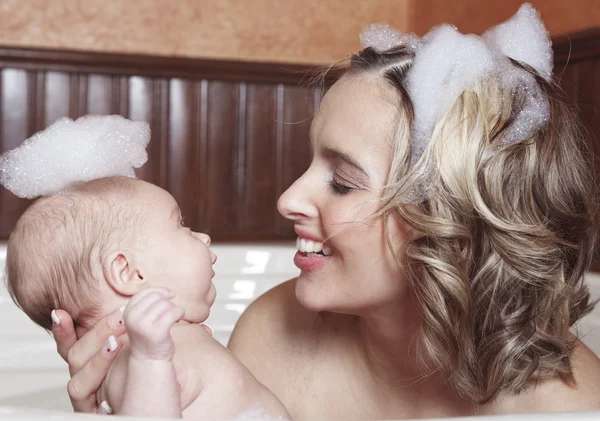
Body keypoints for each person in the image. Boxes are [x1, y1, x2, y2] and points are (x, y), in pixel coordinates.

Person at [50, 4, 600, 419]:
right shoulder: (275, 336)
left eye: (341, 181)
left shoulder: (565, 406)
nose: (287, 198)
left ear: (453, 223)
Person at [3, 120, 290, 420]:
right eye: (179, 224)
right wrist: (151, 360)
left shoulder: (155, 349)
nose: (202, 237)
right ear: (129, 273)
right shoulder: (138, 358)